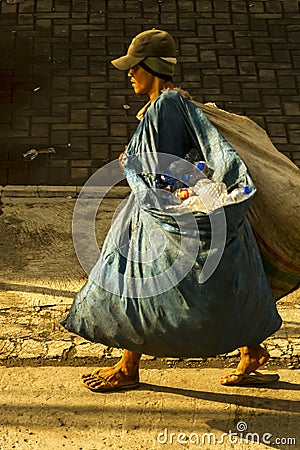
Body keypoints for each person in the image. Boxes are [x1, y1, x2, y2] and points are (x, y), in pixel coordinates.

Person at [61, 29, 282, 392]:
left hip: (158, 210)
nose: (129, 74)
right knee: (220, 287)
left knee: (131, 282)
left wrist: (132, 165)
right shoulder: (174, 102)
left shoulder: (165, 106)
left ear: (152, 66)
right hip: (170, 204)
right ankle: (252, 350)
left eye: (135, 67)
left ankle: (128, 368)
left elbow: (159, 167)